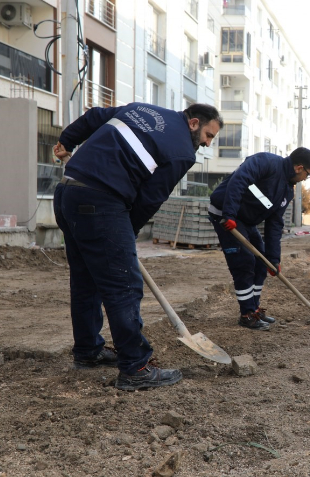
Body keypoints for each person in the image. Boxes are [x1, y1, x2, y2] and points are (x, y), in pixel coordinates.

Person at [52, 103, 222, 390]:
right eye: (208, 135)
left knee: (85, 280)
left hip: (68, 193)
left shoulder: (141, 109)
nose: (207, 144)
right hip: (102, 200)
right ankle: (135, 367)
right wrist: (124, 236)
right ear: (194, 123)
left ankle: (88, 351)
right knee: (124, 286)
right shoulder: (182, 151)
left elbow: (94, 116)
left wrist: (67, 140)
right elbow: (149, 200)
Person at [208, 147, 310, 331]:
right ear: (299, 168)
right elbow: (239, 180)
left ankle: (255, 308)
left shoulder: (286, 191)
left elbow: (274, 224)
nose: (305, 179)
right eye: (307, 174)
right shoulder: (266, 162)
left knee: (262, 262)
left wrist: (274, 259)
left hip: (246, 221)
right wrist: (229, 214)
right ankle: (247, 314)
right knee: (244, 262)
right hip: (226, 214)